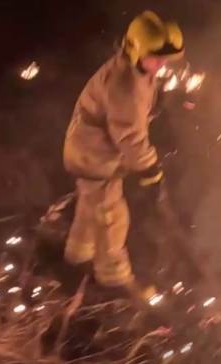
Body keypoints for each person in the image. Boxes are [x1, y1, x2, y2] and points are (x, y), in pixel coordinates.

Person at [62, 11, 184, 300]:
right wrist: (150, 171)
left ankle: (76, 259)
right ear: (135, 49)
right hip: (95, 158)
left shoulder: (134, 69)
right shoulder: (124, 84)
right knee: (112, 216)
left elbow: (132, 117)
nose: (162, 64)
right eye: (156, 57)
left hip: (88, 153)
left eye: (165, 58)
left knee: (90, 207)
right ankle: (113, 279)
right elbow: (130, 137)